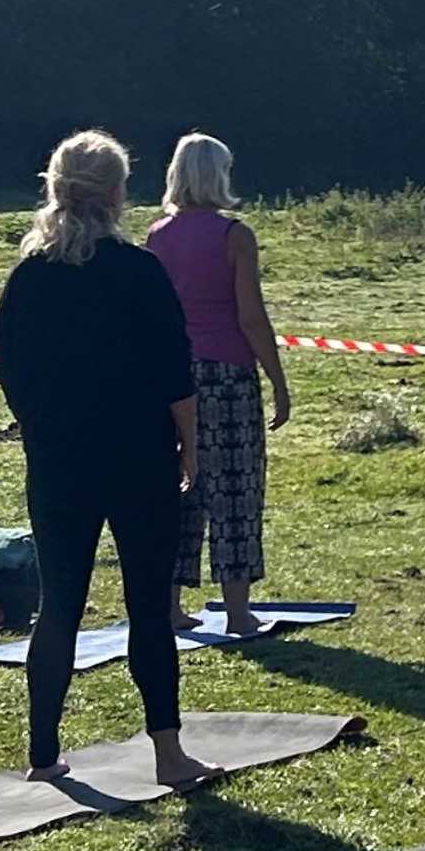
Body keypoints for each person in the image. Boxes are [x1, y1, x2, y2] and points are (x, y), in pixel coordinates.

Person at [0, 131, 209, 787]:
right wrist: (191, 445)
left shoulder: (30, 276)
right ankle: (169, 754)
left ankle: (42, 754)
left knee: (59, 603)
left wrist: (36, 421)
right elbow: (175, 371)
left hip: (59, 460)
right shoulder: (139, 270)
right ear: (117, 194)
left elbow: (5, 357)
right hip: (140, 455)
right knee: (148, 604)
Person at [145, 132, 290, 638]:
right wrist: (277, 379)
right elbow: (251, 316)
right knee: (235, 490)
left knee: (179, 489)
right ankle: (238, 612)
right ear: (219, 175)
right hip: (227, 375)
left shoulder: (157, 236)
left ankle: (169, 606)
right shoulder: (235, 236)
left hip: (172, 375)